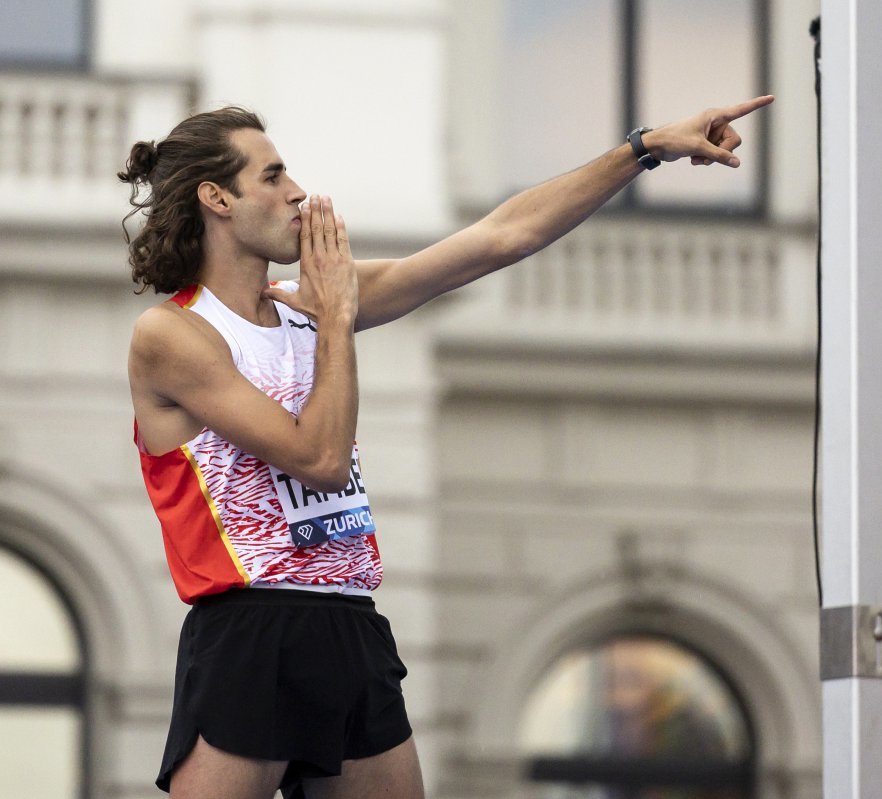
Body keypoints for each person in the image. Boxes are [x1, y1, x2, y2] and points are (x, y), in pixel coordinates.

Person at [121, 94, 773, 799]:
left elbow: (500, 238)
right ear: (216, 198)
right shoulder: (174, 336)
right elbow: (318, 457)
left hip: (348, 621)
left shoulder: (310, 304)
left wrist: (643, 149)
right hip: (250, 628)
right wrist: (337, 316)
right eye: (274, 175)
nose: (299, 192)